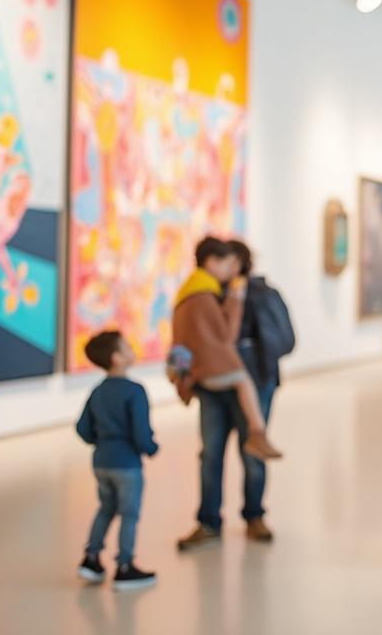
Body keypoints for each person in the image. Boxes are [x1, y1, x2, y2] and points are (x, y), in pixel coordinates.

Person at [174, 237, 282, 552]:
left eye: (233, 261)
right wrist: (183, 374)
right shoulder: (202, 293)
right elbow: (187, 336)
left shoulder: (258, 294)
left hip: (253, 381)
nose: (229, 267)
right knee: (210, 454)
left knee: (253, 453)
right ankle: (208, 521)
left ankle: (254, 516)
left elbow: (278, 339)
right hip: (212, 386)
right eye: (225, 261)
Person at [76, 331, 159, 591]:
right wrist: (151, 447)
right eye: (127, 347)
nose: (132, 348)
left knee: (106, 508)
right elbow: (141, 433)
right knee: (129, 514)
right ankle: (125, 566)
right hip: (127, 465)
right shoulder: (135, 391)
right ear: (116, 358)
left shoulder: (97, 391)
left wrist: (101, 441)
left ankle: (91, 558)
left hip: (101, 462)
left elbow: (82, 428)